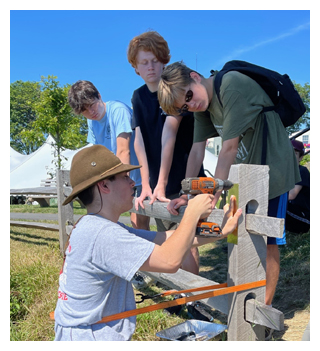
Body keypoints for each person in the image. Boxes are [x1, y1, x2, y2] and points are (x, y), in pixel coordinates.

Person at [53, 144, 242, 341]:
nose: (132, 183)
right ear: (104, 185)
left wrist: (221, 231)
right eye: (124, 177)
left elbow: (164, 239)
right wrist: (192, 213)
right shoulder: (103, 234)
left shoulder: (95, 225)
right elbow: (169, 261)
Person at [157, 61, 301, 310]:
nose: (191, 105)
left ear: (195, 77)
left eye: (189, 96)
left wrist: (212, 194)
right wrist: (187, 193)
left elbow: (228, 148)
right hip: (244, 174)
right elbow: (196, 150)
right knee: (239, 234)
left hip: (272, 170)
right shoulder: (202, 106)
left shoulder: (231, 85)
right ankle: (247, 297)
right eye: (184, 107)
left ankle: (262, 312)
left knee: (268, 241)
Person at [127, 31, 205, 275]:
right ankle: (179, 291)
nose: (151, 67)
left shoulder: (174, 90)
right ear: (136, 67)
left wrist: (159, 184)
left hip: (185, 175)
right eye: (144, 62)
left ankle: (194, 298)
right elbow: (139, 140)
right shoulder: (138, 97)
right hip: (157, 183)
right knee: (168, 238)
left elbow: (168, 137)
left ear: (164, 61)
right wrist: (146, 185)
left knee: (188, 240)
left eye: (155, 60)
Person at [68, 80, 149, 230]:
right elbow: (98, 154)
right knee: (129, 224)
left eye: (92, 105)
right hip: (121, 177)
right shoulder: (91, 121)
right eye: (84, 110)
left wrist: (120, 183)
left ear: (99, 96)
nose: (91, 112)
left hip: (138, 176)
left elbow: (124, 151)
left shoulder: (118, 110)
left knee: (140, 224)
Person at [286, 139, 310, 233]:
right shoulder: (285, 173)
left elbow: (291, 195)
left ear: (300, 157)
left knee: (277, 203)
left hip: (303, 219)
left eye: (294, 153)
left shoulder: (302, 171)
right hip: (291, 215)